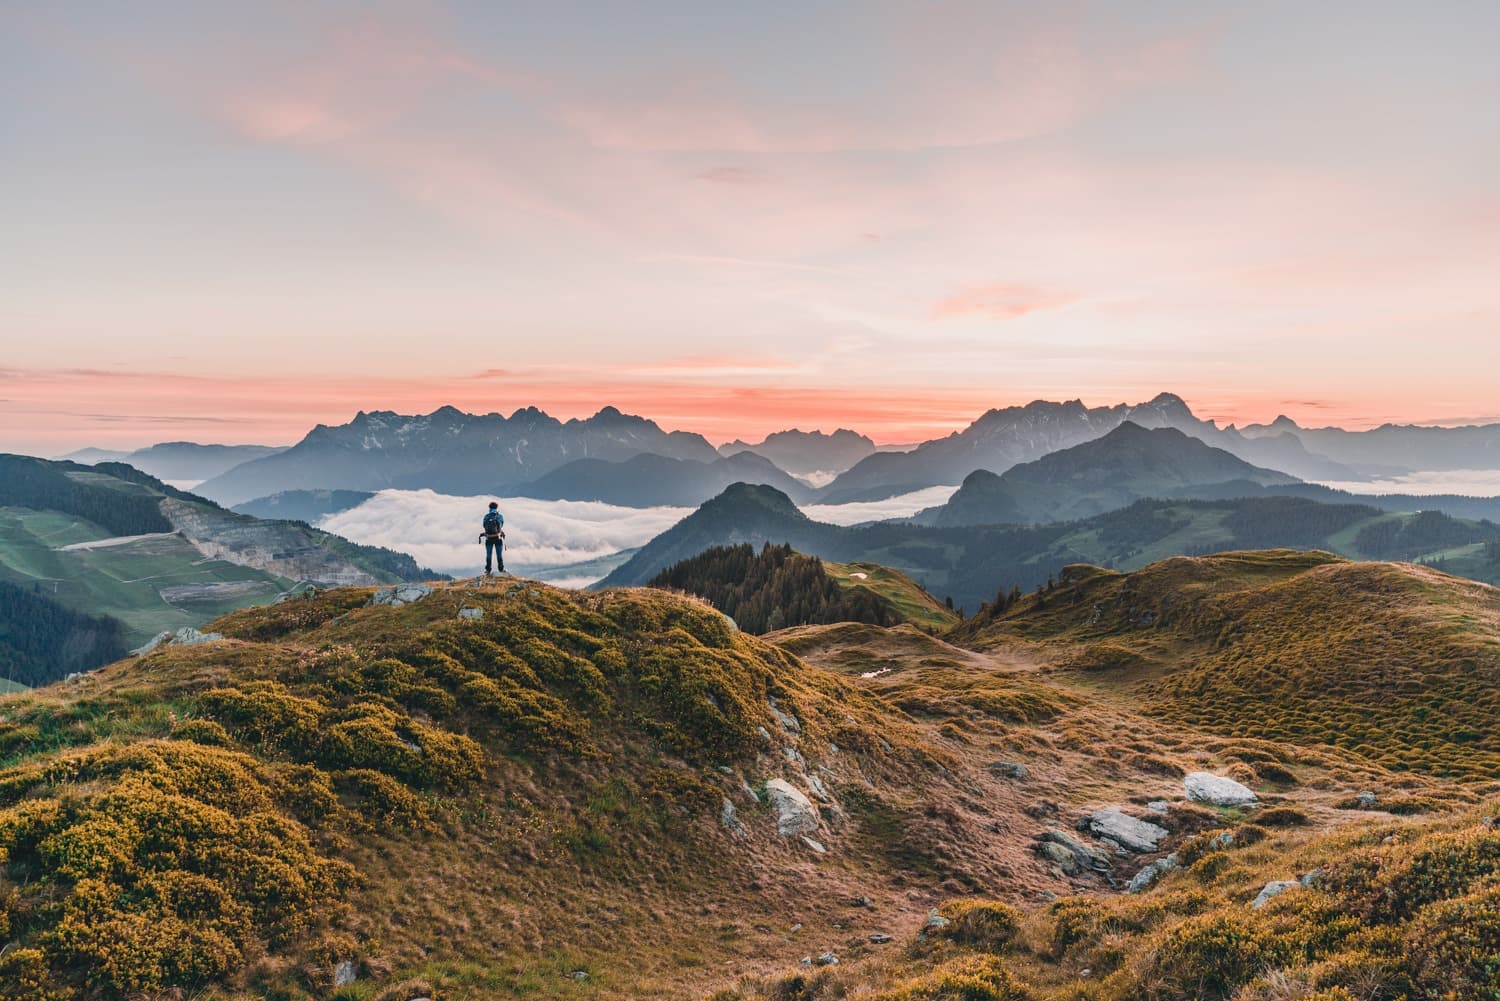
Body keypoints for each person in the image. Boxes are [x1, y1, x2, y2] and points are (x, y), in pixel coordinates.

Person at [479, 501, 505, 575]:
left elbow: (484, 525)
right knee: (499, 554)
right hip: (498, 538)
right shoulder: (500, 516)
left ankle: (488, 570)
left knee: (488, 554)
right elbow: (501, 525)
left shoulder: (486, 516)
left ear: (489, 507)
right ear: (497, 507)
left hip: (489, 538)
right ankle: (501, 569)